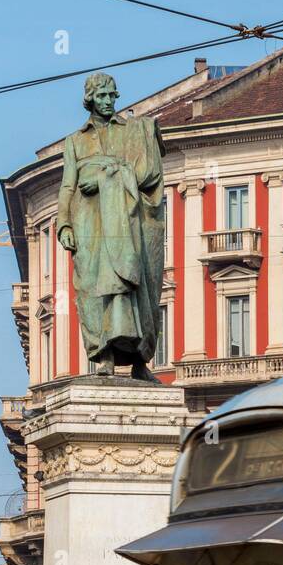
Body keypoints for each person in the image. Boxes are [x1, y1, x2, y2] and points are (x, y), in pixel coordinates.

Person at [57, 73, 165, 381]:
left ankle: (139, 361)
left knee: (138, 287)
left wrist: (106, 178)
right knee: (91, 287)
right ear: (89, 100)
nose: (107, 102)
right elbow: (67, 186)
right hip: (89, 221)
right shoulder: (75, 141)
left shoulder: (131, 132)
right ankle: (102, 354)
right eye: (101, 96)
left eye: (111, 96)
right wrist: (64, 222)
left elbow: (145, 175)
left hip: (128, 221)